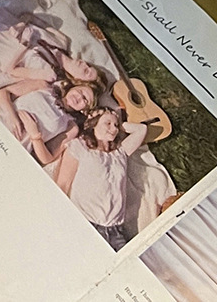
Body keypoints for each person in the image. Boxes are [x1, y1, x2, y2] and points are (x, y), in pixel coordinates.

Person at [54, 106, 148, 249]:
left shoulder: (119, 153)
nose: (113, 128)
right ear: (94, 124)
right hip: (86, 224)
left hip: (115, 231)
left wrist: (117, 122)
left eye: (116, 125)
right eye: (107, 123)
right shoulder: (80, 147)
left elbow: (141, 129)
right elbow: (63, 184)